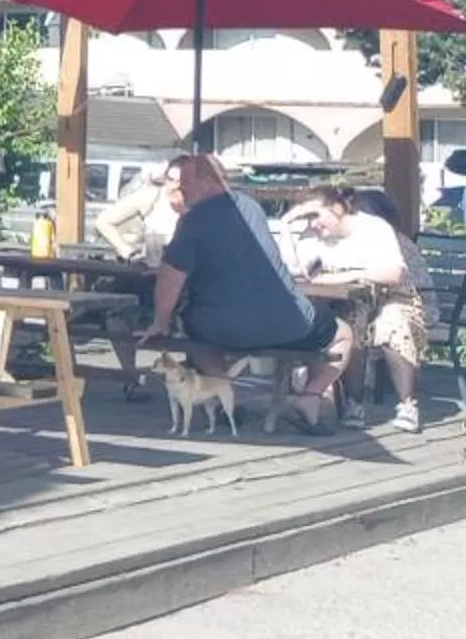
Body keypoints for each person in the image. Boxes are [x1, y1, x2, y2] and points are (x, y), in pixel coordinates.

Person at [136, 152, 341, 430]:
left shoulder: (194, 222)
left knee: (193, 334)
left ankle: (223, 396)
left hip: (220, 328)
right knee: (344, 334)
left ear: (208, 181)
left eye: (186, 182)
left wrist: (160, 321)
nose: (179, 188)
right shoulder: (252, 208)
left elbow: (171, 278)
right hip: (286, 323)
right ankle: (310, 396)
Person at [288, 183, 427, 432]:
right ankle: (353, 402)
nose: (312, 224)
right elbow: (296, 272)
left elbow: (392, 273)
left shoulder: (374, 228)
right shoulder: (314, 237)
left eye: (315, 215)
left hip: (394, 297)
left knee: (391, 322)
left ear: (338, 208)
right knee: (349, 323)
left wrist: (349, 274)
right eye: (306, 217)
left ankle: (408, 404)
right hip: (349, 300)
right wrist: (288, 226)